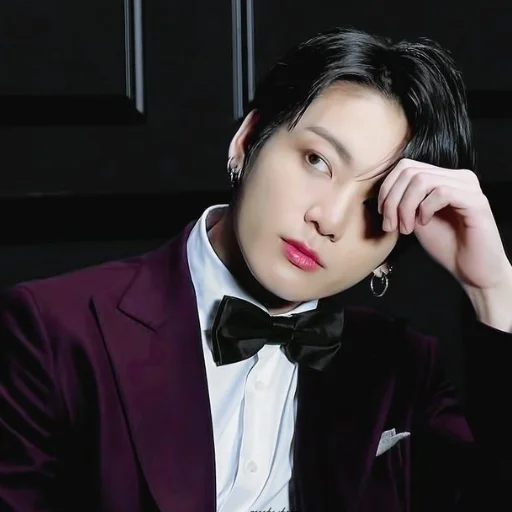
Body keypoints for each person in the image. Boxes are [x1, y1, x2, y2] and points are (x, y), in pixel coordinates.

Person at [1, 27, 512, 512]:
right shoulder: (53, 330)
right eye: (317, 161)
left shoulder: (401, 367)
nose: (329, 219)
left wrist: (493, 288)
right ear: (246, 141)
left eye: (375, 205)